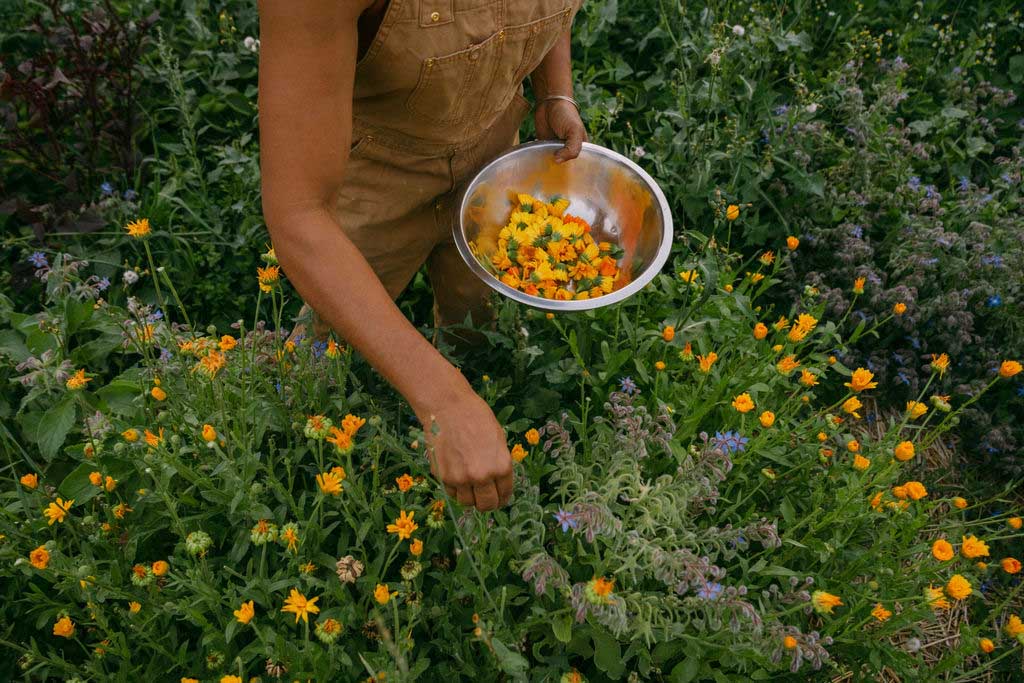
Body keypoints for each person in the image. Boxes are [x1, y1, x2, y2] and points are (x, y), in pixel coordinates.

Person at [257, 0, 587, 512]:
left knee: (482, 337)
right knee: (316, 381)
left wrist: (554, 91)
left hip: (493, 156)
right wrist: (444, 400)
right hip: (373, 175)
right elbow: (300, 215)